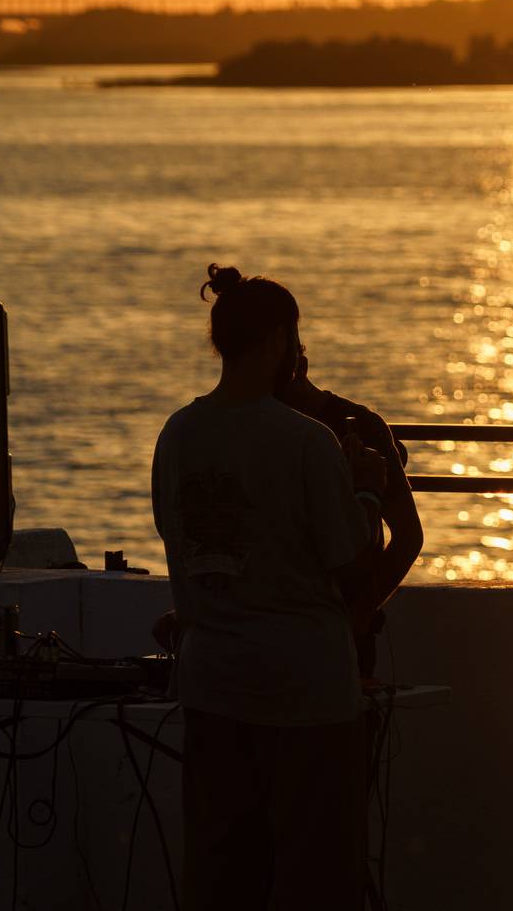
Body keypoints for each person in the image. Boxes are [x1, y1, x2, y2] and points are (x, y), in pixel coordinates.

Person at [151, 263, 416, 910]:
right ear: (277, 340)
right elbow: (351, 561)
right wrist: (367, 490)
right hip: (304, 690)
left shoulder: (177, 434)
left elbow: (183, 541)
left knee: (221, 873)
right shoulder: (307, 441)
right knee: (314, 876)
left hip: (211, 682)